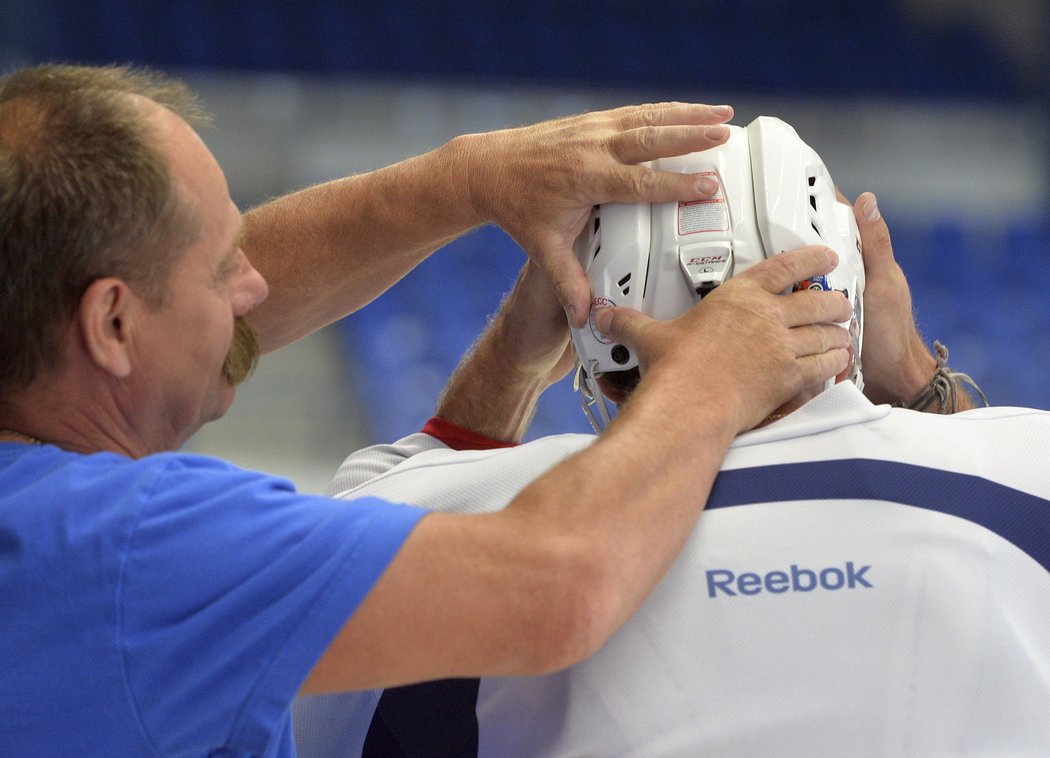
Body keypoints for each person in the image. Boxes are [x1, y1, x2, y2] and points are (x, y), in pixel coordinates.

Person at [0, 64, 852, 757]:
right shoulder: (128, 553)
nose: (255, 288)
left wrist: (479, 224)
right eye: (226, 266)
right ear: (111, 322)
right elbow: (554, 582)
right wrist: (713, 370)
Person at [291, 126, 1048, 756]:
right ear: (857, 298)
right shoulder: (1025, 471)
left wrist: (513, 361)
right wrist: (915, 378)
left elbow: (384, 508)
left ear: (598, 359)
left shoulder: (485, 525)